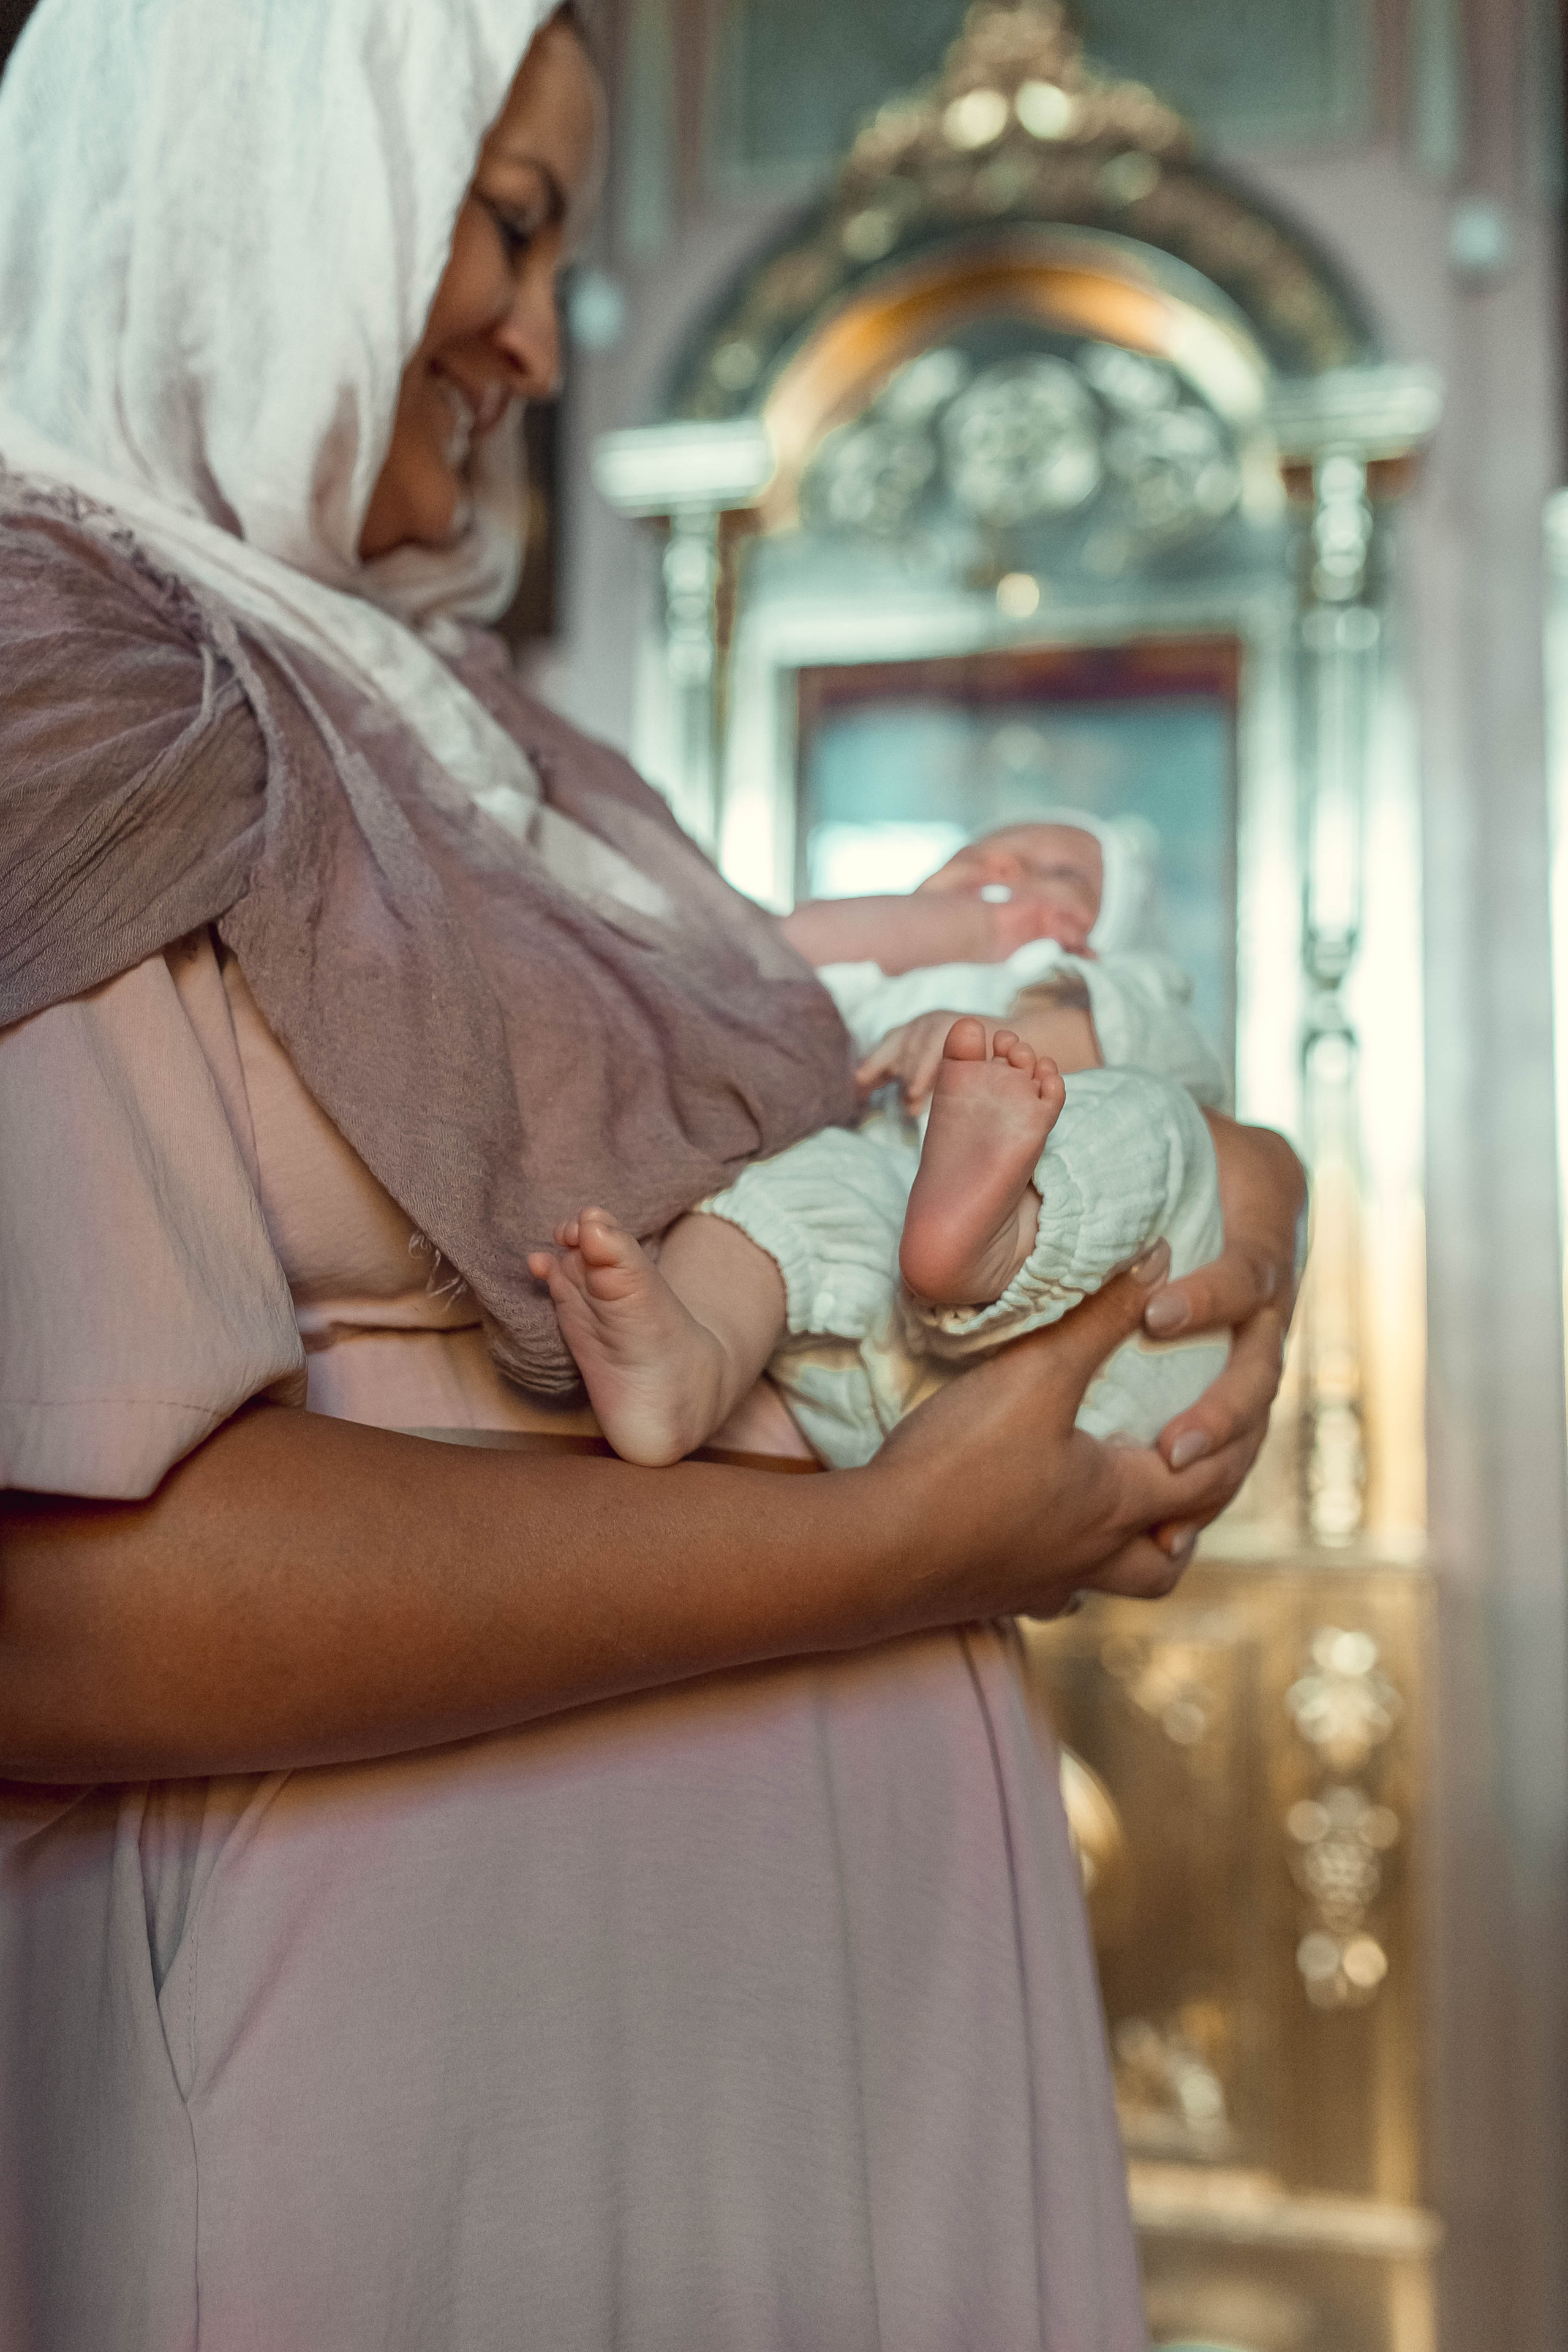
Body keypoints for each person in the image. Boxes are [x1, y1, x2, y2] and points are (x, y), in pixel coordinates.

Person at [0, 4, 1305, 2347]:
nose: (532, 332)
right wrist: (890, 1546)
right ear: (257, 174)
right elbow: (64, 1607)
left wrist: (1187, 1204)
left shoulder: (522, 756)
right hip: (419, 2102)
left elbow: (837, 1186)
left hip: (812, 2074)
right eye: (496, 225)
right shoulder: (65, 692)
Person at [533, 817, 1232, 1469]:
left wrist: (1008, 1036)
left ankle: (990, 1234)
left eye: (1058, 871)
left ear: (1102, 931)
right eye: (983, 856)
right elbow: (786, 944)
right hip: (870, 1337)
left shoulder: (1117, 984)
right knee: (778, 1182)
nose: (1002, 866)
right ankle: (689, 1372)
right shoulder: (888, 986)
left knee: (1152, 1115)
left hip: (1080, 1334)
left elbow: (1185, 1060)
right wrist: (959, 923)